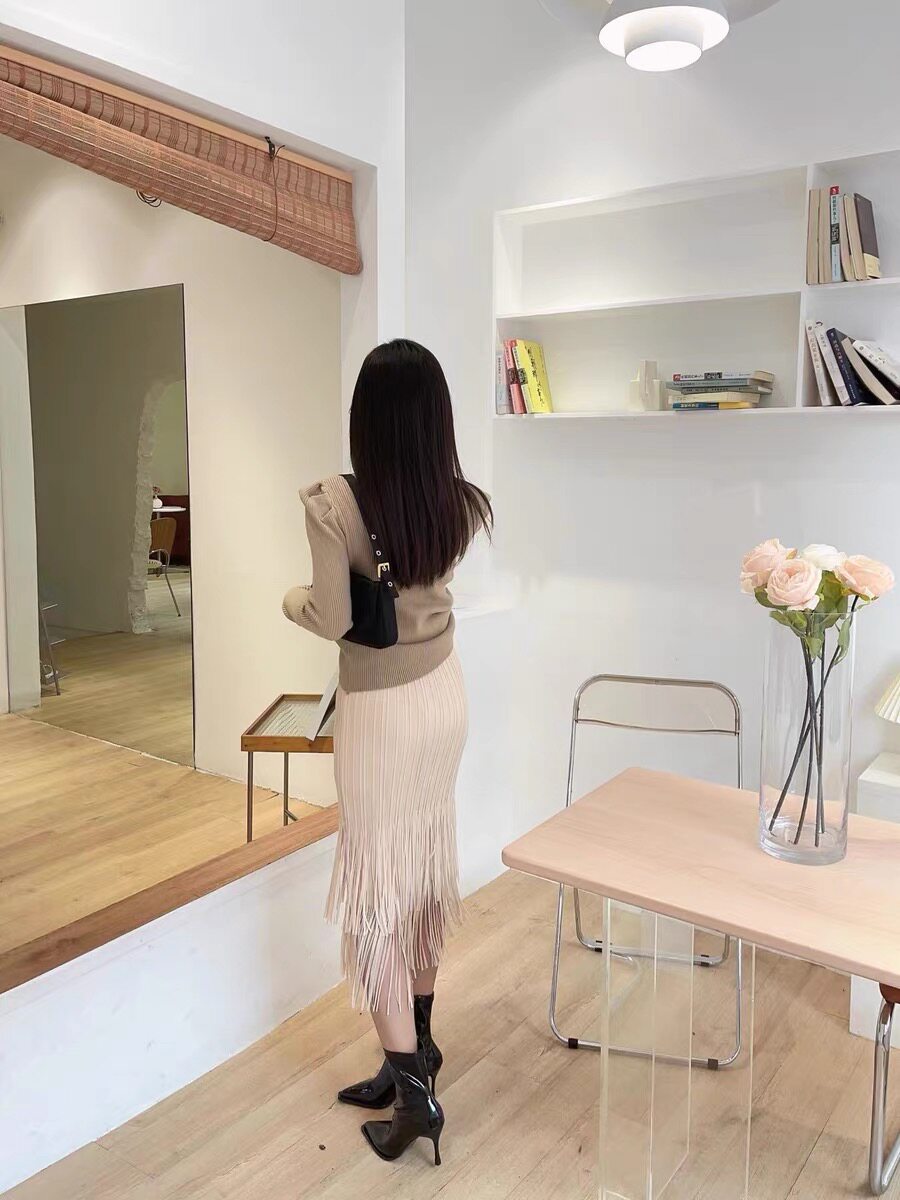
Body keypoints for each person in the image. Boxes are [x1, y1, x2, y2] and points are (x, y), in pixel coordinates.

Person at [282, 339, 492, 1166]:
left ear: (363, 419)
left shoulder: (332, 504)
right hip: (444, 698)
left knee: (376, 887)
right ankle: (416, 1050)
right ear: (437, 421)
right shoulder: (456, 501)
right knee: (423, 868)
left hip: (380, 712)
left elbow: (332, 615)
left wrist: (289, 600)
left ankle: (412, 1096)